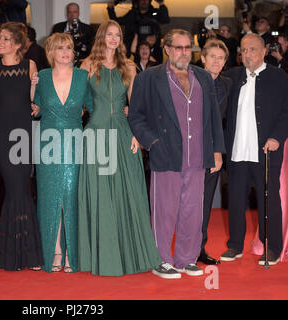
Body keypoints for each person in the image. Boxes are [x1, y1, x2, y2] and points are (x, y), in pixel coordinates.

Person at [128, 29, 225, 279]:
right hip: (167, 153)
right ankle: (161, 260)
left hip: (198, 155)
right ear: (167, 49)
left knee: (193, 210)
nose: (184, 53)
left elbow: (214, 116)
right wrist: (153, 142)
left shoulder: (203, 77)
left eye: (188, 48)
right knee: (164, 211)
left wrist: (217, 150)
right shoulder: (149, 78)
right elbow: (136, 116)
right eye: (179, 47)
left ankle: (186, 259)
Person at [77, 20, 161, 276]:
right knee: (100, 192)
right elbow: (77, 102)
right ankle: (101, 255)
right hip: (96, 133)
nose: (114, 38)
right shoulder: (87, 65)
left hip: (125, 135)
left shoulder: (130, 66)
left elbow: (136, 106)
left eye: (118, 35)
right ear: (102, 36)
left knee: (130, 192)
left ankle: (132, 254)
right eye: (110, 34)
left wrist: (138, 134)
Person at [220, 33, 288, 266]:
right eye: (243, 50)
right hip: (238, 149)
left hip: (266, 151)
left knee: (269, 200)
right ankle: (234, 245)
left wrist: (277, 137)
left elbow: (286, 111)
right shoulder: (231, 77)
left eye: (252, 50)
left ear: (264, 50)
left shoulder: (279, 77)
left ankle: (272, 247)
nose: (247, 54)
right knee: (236, 199)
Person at [31, 33, 92, 273]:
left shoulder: (83, 77)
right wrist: (31, 86)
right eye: (60, 48)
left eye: (68, 48)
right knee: (49, 198)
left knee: (72, 198)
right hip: (48, 143)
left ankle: (72, 254)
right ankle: (55, 251)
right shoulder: (43, 78)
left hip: (75, 142)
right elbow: (34, 109)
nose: (65, 52)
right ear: (51, 52)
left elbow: (93, 108)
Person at [0, 22, 43, 271]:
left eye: (6, 39)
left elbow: (34, 101)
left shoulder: (29, 67)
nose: (0, 42)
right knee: (15, 188)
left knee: (21, 188)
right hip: (1, 135)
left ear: (19, 44)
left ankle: (20, 255)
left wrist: (37, 102)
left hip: (23, 134)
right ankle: (22, 255)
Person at [198, 39, 233, 265]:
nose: (216, 61)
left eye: (221, 58)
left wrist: (219, 151)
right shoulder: (189, 80)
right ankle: (173, 250)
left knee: (205, 202)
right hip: (188, 151)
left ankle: (199, 249)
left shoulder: (227, 84)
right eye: (212, 56)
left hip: (213, 151)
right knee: (183, 203)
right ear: (203, 59)